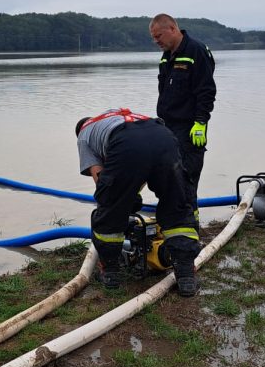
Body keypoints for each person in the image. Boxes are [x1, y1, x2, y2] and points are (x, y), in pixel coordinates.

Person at [75, 108, 201, 297]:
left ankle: (110, 274)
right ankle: (186, 276)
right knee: (177, 204)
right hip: (164, 137)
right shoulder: (113, 117)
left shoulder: (84, 135)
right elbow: (143, 157)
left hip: (127, 144)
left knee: (110, 208)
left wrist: (124, 201)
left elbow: (102, 181)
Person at [149, 14, 216, 220]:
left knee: (187, 177)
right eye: (153, 38)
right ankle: (174, 219)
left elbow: (206, 90)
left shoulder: (196, 51)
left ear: (172, 28)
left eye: (158, 36)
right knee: (169, 176)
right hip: (167, 126)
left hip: (189, 128)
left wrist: (201, 122)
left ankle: (189, 224)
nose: (156, 41)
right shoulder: (166, 55)